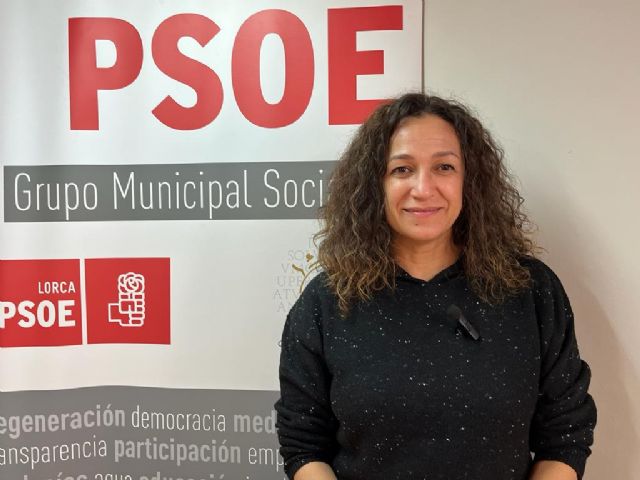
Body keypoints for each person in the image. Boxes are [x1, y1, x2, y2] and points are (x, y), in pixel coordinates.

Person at [275, 93, 596, 480]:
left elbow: (565, 436)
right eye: (402, 169)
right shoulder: (327, 302)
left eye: (444, 167)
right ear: (375, 184)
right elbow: (303, 445)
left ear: (468, 181)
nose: (423, 188)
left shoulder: (531, 290)